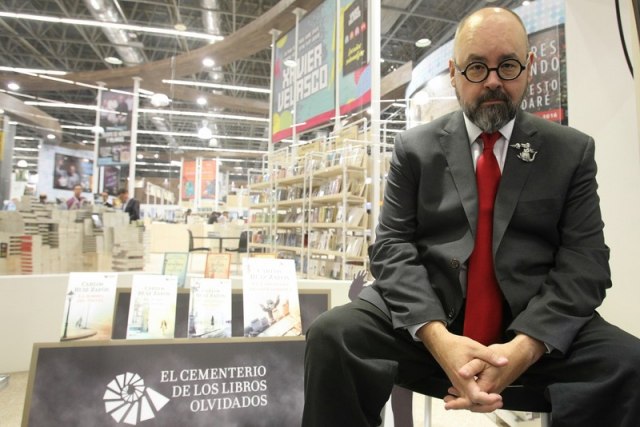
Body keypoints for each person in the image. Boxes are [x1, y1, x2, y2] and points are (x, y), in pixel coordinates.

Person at [303, 7, 640, 427]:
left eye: (508, 65)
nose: (493, 80)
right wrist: (437, 338)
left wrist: (525, 347)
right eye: (477, 67)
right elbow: (391, 247)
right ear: (453, 73)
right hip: (430, 321)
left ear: (529, 67)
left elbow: (586, 262)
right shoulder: (415, 148)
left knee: (628, 364)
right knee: (333, 337)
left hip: (531, 325)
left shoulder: (570, 151)